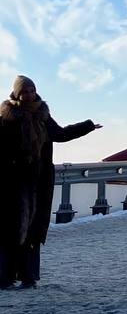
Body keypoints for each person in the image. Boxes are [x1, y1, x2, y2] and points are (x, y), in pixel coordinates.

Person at [0, 76, 100, 288]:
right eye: (25, 91)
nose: (29, 94)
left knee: (33, 229)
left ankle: (27, 277)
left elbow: (61, 134)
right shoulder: (7, 117)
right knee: (12, 229)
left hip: (39, 180)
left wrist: (87, 126)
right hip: (14, 181)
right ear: (17, 94)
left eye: (32, 90)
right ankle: (7, 277)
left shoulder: (42, 116)